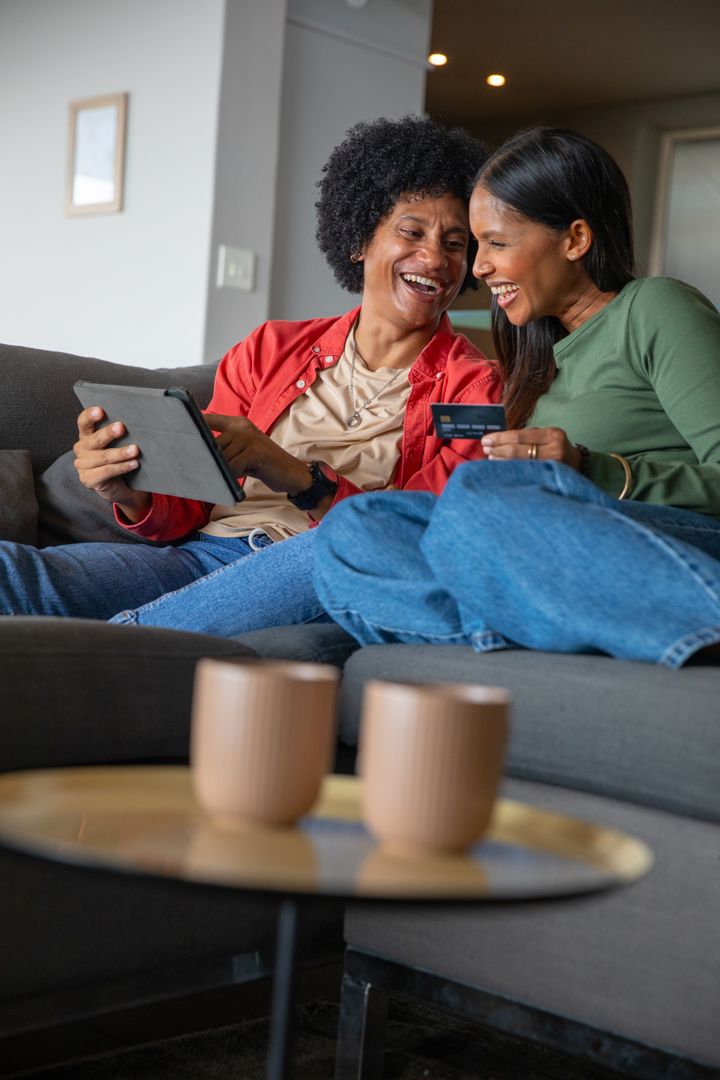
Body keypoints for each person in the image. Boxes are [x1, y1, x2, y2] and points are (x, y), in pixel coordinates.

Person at [114, 127, 720, 669]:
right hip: (553, 554)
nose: (474, 269)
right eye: (474, 247)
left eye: (490, 244)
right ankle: (512, 636)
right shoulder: (534, 365)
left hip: (649, 537)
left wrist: (592, 470)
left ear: (575, 239)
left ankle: (117, 650)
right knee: (362, 533)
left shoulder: (654, 309)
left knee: (450, 509)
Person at [0, 115, 501, 620]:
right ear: (360, 239)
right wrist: (128, 494)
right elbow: (188, 507)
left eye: (456, 244)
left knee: (317, 555)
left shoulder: (477, 388)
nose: (435, 257)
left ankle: (121, 642)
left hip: (311, 567)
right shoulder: (271, 347)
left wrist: (303, 478)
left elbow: (409, 538)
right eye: (411, 232)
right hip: (204, 554)